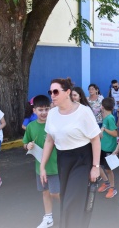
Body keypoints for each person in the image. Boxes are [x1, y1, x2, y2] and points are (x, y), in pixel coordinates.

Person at [40, 78, 101, 228]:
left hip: (82, 159)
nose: (52, 95)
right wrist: (42, 166)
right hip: (63, 159)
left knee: (72, 201)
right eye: (50, 92)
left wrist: (96, 166)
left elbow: (95, 139)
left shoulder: (83, 111)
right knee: (66, 198)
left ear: (67, 92)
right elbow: (49, 141)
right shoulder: (53, 113)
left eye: (55, 91)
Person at [22, 95, 60, 228]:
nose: (44, 112)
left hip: (55, 166)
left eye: (46, 109)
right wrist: (28, 146)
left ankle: (69, 210)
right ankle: (48, 217)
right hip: (40, 167)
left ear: (51, 109)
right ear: (34, 111)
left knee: (55, 193)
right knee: (45, 192)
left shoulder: (55, 124)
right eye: (40, 110)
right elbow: (25, 142)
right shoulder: (31, 126)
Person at [97, 98, 118, 199]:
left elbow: (115, 133)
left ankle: (113, 188)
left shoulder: (110, 118)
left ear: (102, 107)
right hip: (102, 147)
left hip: (109, 149)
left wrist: (104, 129)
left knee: (108, 170)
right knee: (98, 166)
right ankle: (106, 183)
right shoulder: (105, 117)